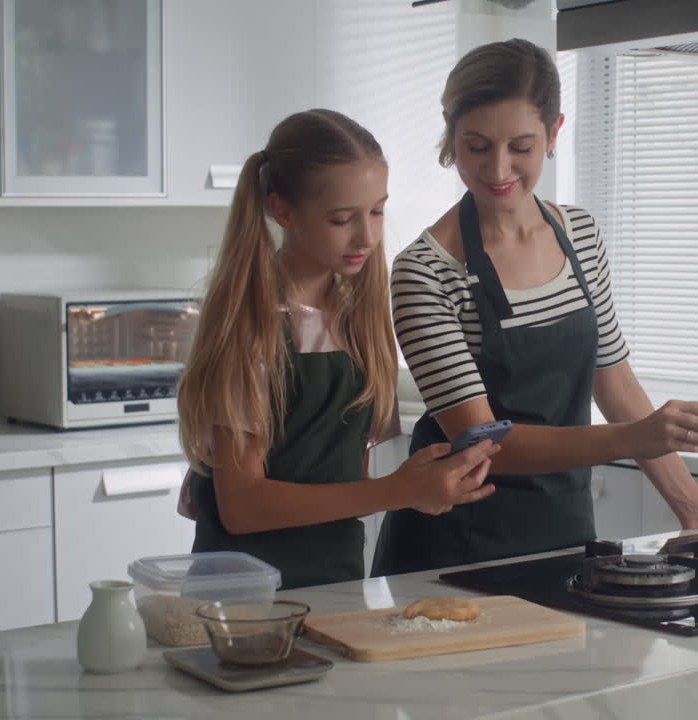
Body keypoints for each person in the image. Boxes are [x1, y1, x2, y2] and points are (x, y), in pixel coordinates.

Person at [372, 39, 698, 576]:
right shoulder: (425, 271)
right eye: (476, 146)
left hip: (565, 536)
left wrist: (696, 516)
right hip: (455, 552)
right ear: (451, 131)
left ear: (554, 132)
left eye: (520, 146)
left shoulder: (579, 234)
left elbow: (614, 384)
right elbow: (485, 441)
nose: (498, 169)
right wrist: (640, 435)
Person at [176, 109, 500, 590]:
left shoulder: (359, 324)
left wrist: (415, 491)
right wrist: (396, 491)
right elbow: (242, 508)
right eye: (341, 219)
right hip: (244, 602)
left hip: (336, 587)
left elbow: (342, 484)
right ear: (283, 212)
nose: (367, 236)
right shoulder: (251, 328)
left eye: (376, 211)